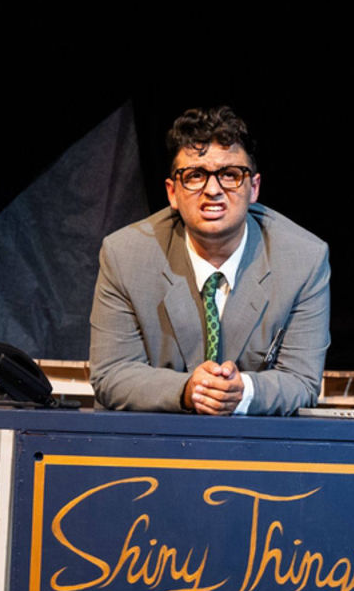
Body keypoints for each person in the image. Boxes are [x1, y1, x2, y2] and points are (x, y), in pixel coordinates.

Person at [89, 106, 330, 415]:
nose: (213, 190)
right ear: (172, 193)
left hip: (253, 441)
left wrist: (244, 391)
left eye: (230, 175)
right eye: (195, 176)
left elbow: (302, 381)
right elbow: (112, 373)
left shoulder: (304, 260)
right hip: (152, 438)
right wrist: (189, 390)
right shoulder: (124, 255)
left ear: (254, 188)